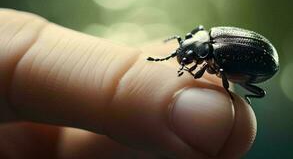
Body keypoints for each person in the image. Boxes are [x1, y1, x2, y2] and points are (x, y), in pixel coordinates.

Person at [0, 9, 256, 159]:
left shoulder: (214, 52)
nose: (185, 61)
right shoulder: (206, 43)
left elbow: (205, 72)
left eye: (187, 57)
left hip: (254, 64)